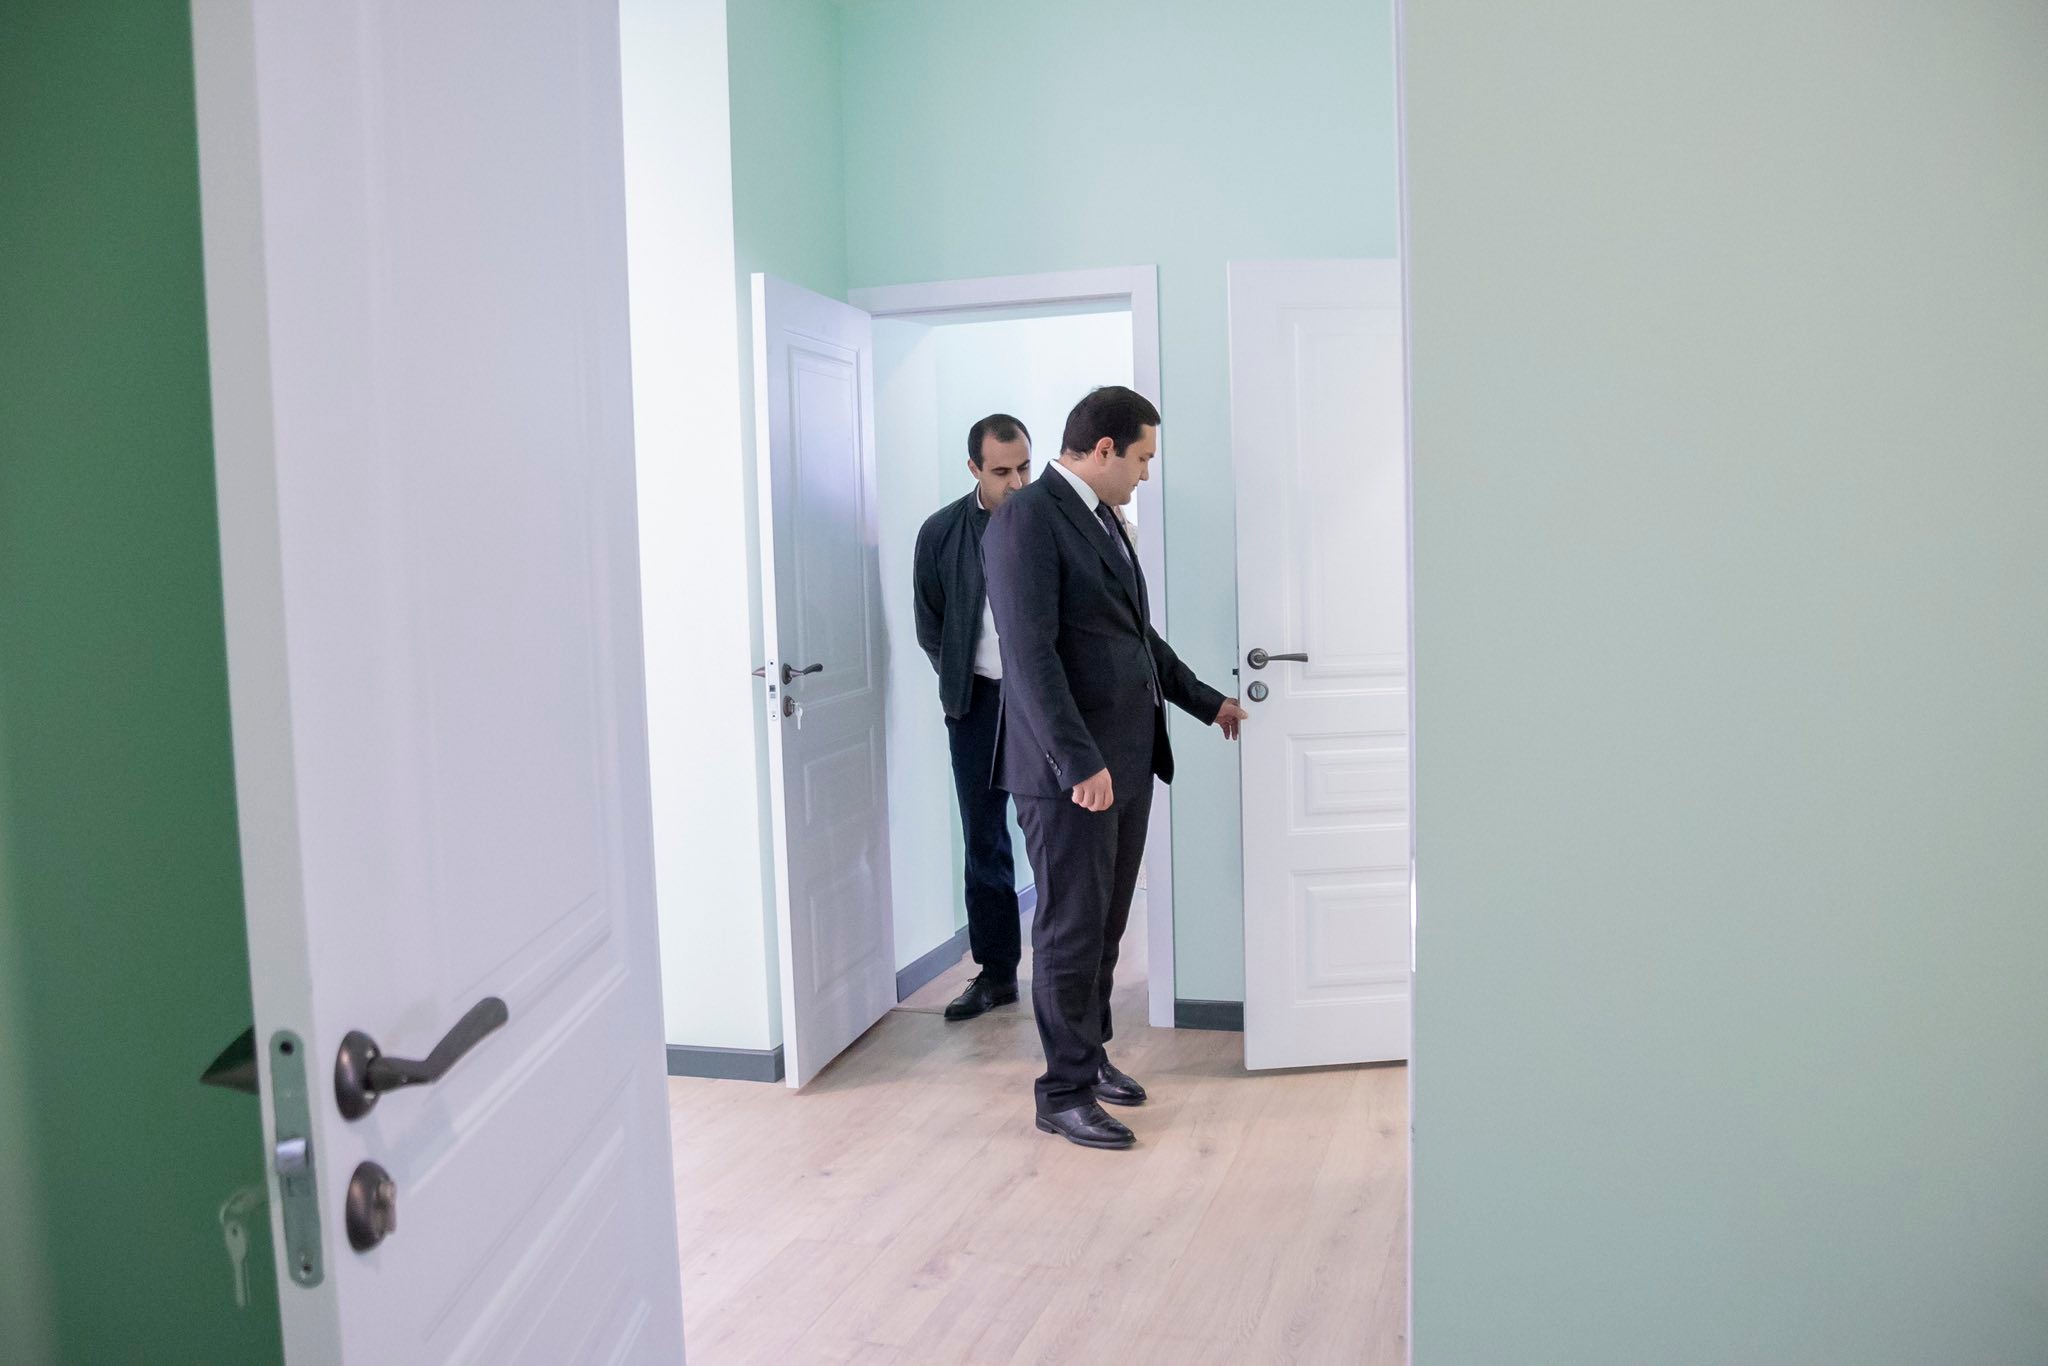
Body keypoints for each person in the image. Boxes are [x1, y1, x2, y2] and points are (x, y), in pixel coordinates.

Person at [982, 386, 1248, 1149]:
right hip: (1069, 773)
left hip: (1123, 762)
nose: (1146, 474)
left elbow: (1135, 637)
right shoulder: (1028, 518)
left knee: (1105, 925)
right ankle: (1061, 1092)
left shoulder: (1100, 518)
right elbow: (1029, 657)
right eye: (1142, 458)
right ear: (1104, 449)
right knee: (1070, 929)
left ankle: (1089, 1057)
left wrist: (1207, 703)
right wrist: (1077, 762)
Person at [913, 414, 1035, 1020]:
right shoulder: (940, 533)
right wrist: (961, 677)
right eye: (1002, 471)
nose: (1016, 483)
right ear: (974, 469)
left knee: (1057, 837)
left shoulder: (1050, 522)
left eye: (1024, 468)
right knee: (983, 840)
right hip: (976, 704)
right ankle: (997, 974)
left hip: (1042, 702)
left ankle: (1067, 976)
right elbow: (930, 626)